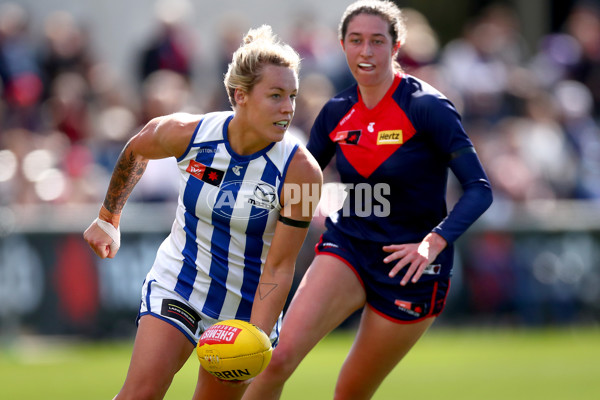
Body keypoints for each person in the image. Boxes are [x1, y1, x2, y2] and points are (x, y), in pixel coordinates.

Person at [243, 1, 493, 399]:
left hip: (411, 267)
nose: (366, 51)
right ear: (342, 45)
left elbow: (480, 189)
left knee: (350, 392)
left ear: (396, 46)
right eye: (356, 41)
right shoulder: (337, 111)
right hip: (349, 245)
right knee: (275, 359)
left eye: (377, 41)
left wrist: (432, 243)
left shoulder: (428, 107)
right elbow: (304, 179)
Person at [83, 25, 322, 400]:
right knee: (140, 394)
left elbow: (280, 265)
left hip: (246, 308)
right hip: (179, 283)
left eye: (292, 96)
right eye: (275, 96)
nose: (288, 108)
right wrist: (108, 217)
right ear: (240, 96)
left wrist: (255, 336)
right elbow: (136, 149)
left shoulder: (304, 172)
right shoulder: (188, 133)